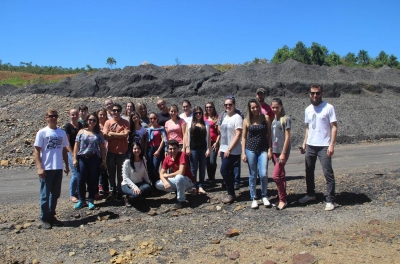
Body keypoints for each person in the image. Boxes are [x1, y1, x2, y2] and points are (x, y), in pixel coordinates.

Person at [299, 85, 338, 211]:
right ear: (309, 94)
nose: (315, 95)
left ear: (322, 93)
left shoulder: (328, 108)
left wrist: (331, 144)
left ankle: (330, 200)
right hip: (311, 144)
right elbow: (308, 127)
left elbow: (334, 127)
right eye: (312, 93)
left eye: (317, 93)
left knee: (328, 172)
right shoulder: (308, 109)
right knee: (309, 171)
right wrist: (305, 142)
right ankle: (311, 194)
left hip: (324, 145)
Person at [34, 109, 70, 229]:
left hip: (58, 167)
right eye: (51, 116)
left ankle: (51, 215)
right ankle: (44, 217)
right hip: (46, 167)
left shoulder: (62, 133)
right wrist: (39, 167)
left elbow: (64, 150)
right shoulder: (42, 132)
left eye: (55, 116)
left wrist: (67, 164)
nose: (53, 118)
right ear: (46, 117)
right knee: (45, 194)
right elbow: (36, 151)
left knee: (55, 194)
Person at [242, 99, 272, 209]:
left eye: (256, 107)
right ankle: (254, 197)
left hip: (263, 149)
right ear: (250, 109)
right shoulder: (246, 120)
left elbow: (269, 135)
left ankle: (264, 195)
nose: (255, 109)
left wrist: (270, 149)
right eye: (253, 107)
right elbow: (244, 137)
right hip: (251, 149)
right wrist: (243, 152)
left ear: (259, 107)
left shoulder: (266, 118)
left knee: (263, 174)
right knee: (253, 174)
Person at [73, 113, 107, 210]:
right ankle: (82, 200)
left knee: (93, 180)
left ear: (96, 122)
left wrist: (103, 161)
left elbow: (102, 148)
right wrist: (74, 158)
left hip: (94, 158)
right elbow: (76, 145)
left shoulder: (98, 133)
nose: (92, 122)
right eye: (90, 120)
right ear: (87, 120)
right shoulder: (81, 132)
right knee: (81, 179)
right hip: (82, 158)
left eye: (94, 120)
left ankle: (91, 200)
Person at [156, 140, 196, 209]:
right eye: (170, 149)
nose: (172, 150)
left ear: (178, 148)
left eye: (174, 148)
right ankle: (180, 190)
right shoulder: (167, 158)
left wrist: (168, 175)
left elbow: (181, 172)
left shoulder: (182, 155)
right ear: (168, 149)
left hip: (187, 180)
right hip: (177, 179)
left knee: (179, 177)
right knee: (158, 184)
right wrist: (165, 182)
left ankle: (181, 200)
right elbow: (161, 173)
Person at [103, 103, 130, 201]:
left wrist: (112, 134)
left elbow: (126, 135)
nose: (116, 112)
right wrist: (120, 134)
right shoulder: (108, 122)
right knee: (111, 173)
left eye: (118, 110)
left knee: (120, 174)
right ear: (111, 111)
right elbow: (105, 136)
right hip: (111, 152)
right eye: (114, 110)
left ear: (120, 111)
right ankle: (112, 191)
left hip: (122, 152)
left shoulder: (125, 122)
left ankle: (120, 191)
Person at [216, 95, 244, 190]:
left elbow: (238, 135)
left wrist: (229, 149)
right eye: (226, 105)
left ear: (234, 105)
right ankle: (230, 190)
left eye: (230, 104)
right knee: (226, 171)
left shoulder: (237, 117)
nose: (228, 106)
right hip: (224, 148)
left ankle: (231, 192)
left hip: (232, 149)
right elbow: (223, 134)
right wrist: (220, 148)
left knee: (224, 170)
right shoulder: (225, 117)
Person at [271, 98, 291, 210]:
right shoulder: (274, 119)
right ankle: (282, 198)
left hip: (282, 152)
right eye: (273, 107)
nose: (274, 109)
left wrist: (283, 153)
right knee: (281, 175)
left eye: (276, 107)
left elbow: (287, 136)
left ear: (281, 107)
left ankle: (283, 199)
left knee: (276, 176)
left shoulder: (285, 119)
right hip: (275, 151)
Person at [186, 106, 211, 194]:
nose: (198, 114)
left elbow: (208, 138)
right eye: (196, 113)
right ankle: (193, 186)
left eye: (199, 112)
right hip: (193, 149)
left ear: (202, 113)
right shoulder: (190, 123)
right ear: (194, 114)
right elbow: (186, 136)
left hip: (203, 149)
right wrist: (187, 147)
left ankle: (200, 186)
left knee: (202, 168)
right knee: (193, 168)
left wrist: (208, 149)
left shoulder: (206, 124)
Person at [121, 142, 152, 207]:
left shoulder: (143, 159)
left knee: (148, 187)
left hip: (139, 183)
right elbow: (125, 178)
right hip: (127, 185)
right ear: (132, 150)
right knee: (136, 195)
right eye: (135, 149)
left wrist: (149, 182)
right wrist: (134, 187)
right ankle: (127, 198)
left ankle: (137, 195)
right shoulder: (127, 162)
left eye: (138, 148)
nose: (137, 150)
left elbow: (145, 172)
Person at [64, 109, 83, 203]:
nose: (74, 116)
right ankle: (72, 194)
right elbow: (66, 142)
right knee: (75, 174)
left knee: (80, 174)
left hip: (81, 153)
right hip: (71, 153)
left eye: (76, 114)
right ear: (69, 115)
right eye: (72, 115)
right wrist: (72, 154)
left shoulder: (81, 125)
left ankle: (78, 192)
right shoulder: (67, 126)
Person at [146, 112, 167, 188]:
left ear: (157, 118)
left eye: (154, 118)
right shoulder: (148, 129)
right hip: (149, 148)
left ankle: (158, 183)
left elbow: (163, 140)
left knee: (155, 167)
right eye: (151, 118)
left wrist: (158, 150)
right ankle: (153, 185)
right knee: (149, 167)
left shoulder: (160, 128)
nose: (152, 120)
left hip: (157, 148)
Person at [204, 102, 220, 185]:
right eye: (207, 107)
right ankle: (210, 178)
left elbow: (219, 132)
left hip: (214, 142)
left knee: (212, 161)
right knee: (207, 161)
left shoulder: (217, 117)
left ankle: (212, 177)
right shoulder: (203, 117)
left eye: (210, 107)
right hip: (205, 142)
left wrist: (217, 143)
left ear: (213, 108)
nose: (208, 108)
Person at [97, 108, 109, 195]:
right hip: (98, 149)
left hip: (108, 148)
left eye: (103, 114)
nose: (102, 116)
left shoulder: (108, 123)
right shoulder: (95, 125)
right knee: (99, 168)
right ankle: (99, 185)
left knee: (106, 168)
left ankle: (106, 187)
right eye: (100, 114)